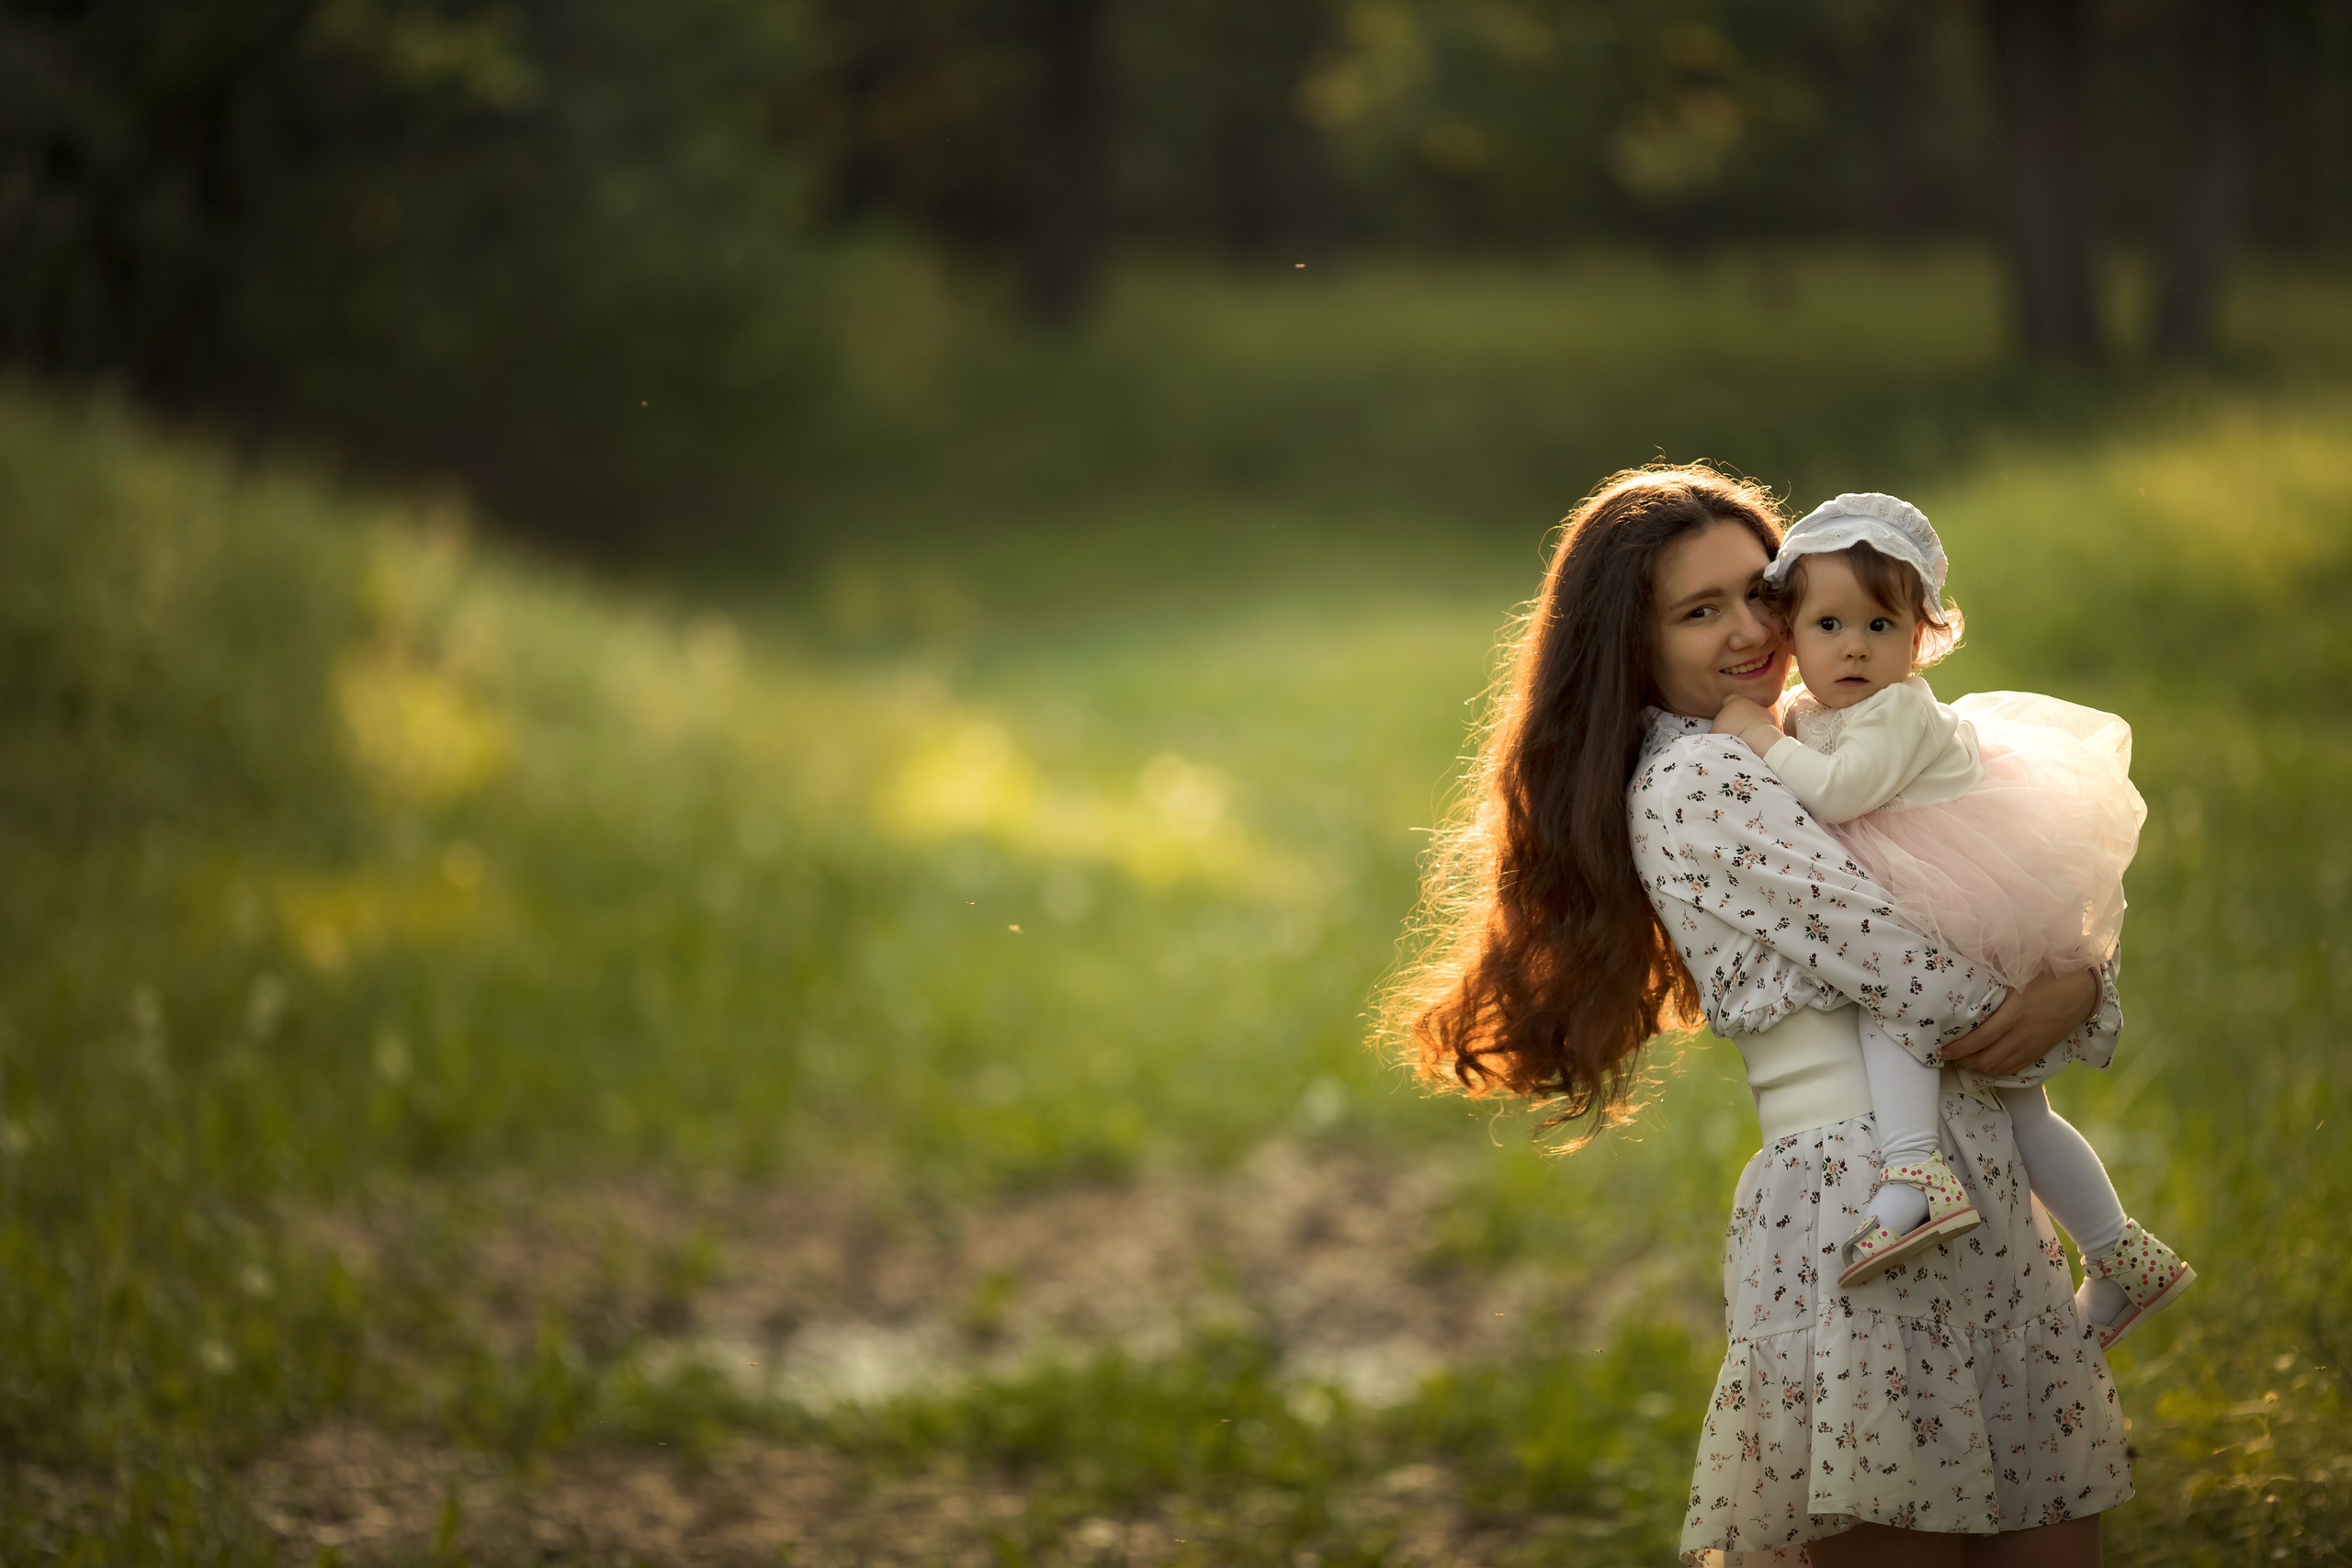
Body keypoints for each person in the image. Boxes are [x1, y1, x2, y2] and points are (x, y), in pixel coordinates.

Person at [1381, 465, 2131, 1565]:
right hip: (1862, 1192)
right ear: (1630, 646)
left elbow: (1979, 884)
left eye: (1760, 593)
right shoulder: (1698, 782)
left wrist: (2074, 980)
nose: (1750, 633)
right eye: (1699, 611)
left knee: (2045, 1532)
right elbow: (1917, 976)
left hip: (1970, 1179)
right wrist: (2074, 990)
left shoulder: (1813, 735)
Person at [1708, 492, 2191, 1347]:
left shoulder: (1896, 709)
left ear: (1921, 636)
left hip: (1957, 892)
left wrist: (1753, 730)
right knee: (2021, 1111)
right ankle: (2123, 1255)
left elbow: (1838, 792)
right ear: (1790, 631)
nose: (1854, 645)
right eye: (1828, 625)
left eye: (1881, 626)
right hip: (1940, 885)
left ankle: (1914, 1171)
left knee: (1898, 1012)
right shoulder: (1821, 712)